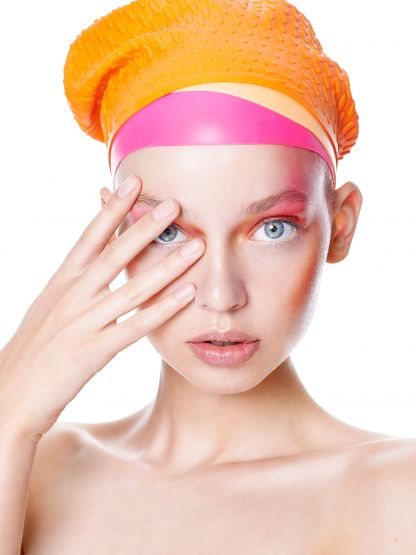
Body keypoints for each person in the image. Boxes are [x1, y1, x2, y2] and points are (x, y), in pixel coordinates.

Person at [1, 0, 415, 553]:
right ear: (115, 234)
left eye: (272, 228)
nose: (221, 296)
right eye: (169, 231)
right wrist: (6, 415)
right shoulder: (32, 465)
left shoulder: (397, 492)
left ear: (340, 226)